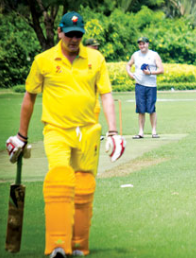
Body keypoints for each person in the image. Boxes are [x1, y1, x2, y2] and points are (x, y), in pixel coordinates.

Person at [5, 12, 125, 258]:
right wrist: (21, 136)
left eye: (78, 35)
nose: (74, 39)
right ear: (59, 32)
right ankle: (58, 245)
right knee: (60, 179)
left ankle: (79, 245)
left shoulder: (95, 58)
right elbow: (29, 96)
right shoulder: (44, 60)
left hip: (88, 132)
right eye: (69, 34)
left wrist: (114, 132)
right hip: (56, 130)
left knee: (83, 185)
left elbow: (106, 95)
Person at [126, 36, 164, 139]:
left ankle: (154, 131)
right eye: (140, 44)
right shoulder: (135, 55)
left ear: (147, 44)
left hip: (151, 86)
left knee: (151, 109)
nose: (142, 45)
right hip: (139, 85)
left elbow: (161, 70)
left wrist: (150, 72)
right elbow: (128, 65)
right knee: (140, 109)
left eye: (143, 43)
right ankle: (141, 132)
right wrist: (130, 73)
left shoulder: (154, 55)